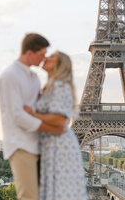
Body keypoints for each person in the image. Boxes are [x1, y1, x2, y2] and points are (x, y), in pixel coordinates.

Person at [0, 33, 64, 200]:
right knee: (29, 196)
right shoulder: (10, 76)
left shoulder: (33, 78)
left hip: (36, 144)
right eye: (42, 54)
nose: (44, 58)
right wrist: (51, 128)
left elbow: (36, 110)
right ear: (29, 53)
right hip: (20, 145)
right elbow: (17, 115)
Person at [24, 51, 87, 200]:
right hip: (52, 145)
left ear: (60, 65)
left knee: (60, 191)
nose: (46, 57)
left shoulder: (60, 86)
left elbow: (60, 119)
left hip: (60, 146)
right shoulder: (49, 87)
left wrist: (32, 115)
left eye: (52, 57)